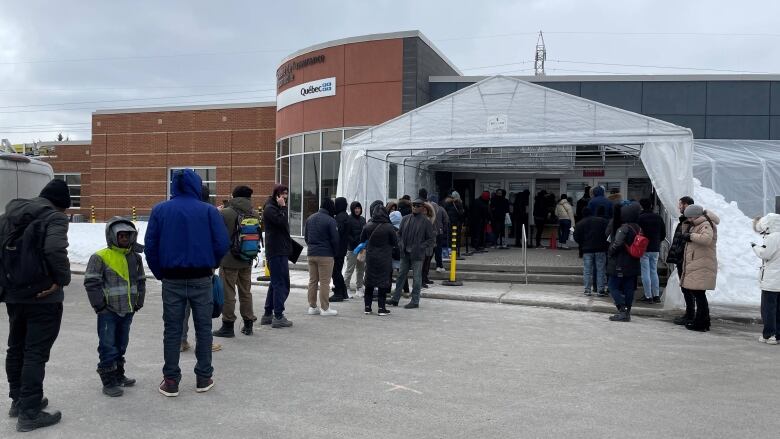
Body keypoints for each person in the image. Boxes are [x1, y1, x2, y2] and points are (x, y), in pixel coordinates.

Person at [145, 169, 230, 397]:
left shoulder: (160, 210)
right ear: (196, 185)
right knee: (204, 329)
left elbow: (150, 246)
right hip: (201, 278)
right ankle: (203, 377)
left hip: (171, 278)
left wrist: (160, 272)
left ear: (174, 185)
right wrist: (211, 263)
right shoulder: (209, 211)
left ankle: (171, 380)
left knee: (172, 330)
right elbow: (222, 243)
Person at [1, 179, 71, 431]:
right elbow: (54, 250)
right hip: (43, 296)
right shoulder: (55, 218)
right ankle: (30, 413)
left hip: (14, 293)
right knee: (35, 352)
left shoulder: (11, 213)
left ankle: (18, 401)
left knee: (16, 347)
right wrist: (61, 280)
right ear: (62, 205)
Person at [84, 217, 145, 397]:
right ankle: (108, 380)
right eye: (121, 235)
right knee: (107, 345)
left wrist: (139, 301)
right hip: (108, 311)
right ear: (112, 236)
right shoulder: (100, 257)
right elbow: (91, 282)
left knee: (121, 343)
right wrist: (100, 306)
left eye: (128, 235)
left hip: (128, 309)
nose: (125, 239)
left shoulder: (135, 257)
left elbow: (140, 281)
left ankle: (119, 374)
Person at [213, 186, 258, 338]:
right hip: (247, 258)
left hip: (229, 260)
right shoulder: (254, 213)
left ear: (234, 196)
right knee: (246, 292)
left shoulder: (225, 213)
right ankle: (248, 324)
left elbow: (216, 231)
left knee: (228, 293)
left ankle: (228, 325)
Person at [181, 184, 222, 352]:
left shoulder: (180, 212)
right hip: (203, 267)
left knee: (183, 307)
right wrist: (214, 263)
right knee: (202, 308)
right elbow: (219, 241)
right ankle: (204, 342)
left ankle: (181, 341)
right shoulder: (209, 213)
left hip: (181, 266)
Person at [679, 204, 719, 332]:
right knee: (698, 294)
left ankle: (701, 323)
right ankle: (703, 321)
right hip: (698, 262)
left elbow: (706, 239)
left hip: (702, 264)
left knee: (699, 294)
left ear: (696, 215)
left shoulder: (705, 224)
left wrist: (690, 236)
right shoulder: (699, 224)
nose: (689, 219)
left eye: (690, 217)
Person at [389, 198, 436, 309]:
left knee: (416, 278)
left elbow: (431, 240)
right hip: (405, 252)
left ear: (422, 208)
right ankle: (395, 299)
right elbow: (399, 234)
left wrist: (421, 247)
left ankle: (415, 301)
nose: (415, 207)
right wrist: (400, 244)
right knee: (400, 276)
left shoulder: (426, 222)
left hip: (417, 254)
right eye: (413, 205)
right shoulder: (405, 219)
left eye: (418, 205)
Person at [261, 184, 295, 328]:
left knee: (275, 283)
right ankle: (278, 316)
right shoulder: (270, 209)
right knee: (281, 283)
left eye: (286, 194)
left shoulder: (273, 208)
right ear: (276, 194)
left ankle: (268, 314)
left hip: (280, 249)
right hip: (276, 251)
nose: (285, 197)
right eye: (282, 194)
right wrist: (283, 207)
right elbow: (281, 222)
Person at [606, 202, 642, 322]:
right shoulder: (637, 227)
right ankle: (627, 312)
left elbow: (617, 244)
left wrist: (610, 252)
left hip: (620, 262)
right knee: (629, 287)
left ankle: (622, 309)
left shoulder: (624, 228)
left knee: (612, 285)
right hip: (633, 261)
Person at [304, 198, 339, 316]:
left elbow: (306, 238)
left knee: (312, 281)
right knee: (325, 282)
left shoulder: (310, 218)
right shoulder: (330, 220)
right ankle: (325, 308)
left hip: (311, 254)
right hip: (326, 255)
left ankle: (312, 307)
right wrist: (335, 253)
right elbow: (335, 239)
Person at [361, 205, 398, 315]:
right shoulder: (389, 227)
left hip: (371, 257)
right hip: (384, 258)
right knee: (383, 282)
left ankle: (367, 307)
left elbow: (362, 239)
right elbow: (394, 242)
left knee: (369, 282)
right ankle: (381, 308)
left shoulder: (368, 226)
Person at [666, 196, 696, 325]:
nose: (679, 207)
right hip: (681, 259)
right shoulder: (684, 221)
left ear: (686, 205)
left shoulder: (689, 222)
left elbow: (685, 242)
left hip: (684, 260)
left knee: (687, 288)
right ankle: (689, 314)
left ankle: (690, 315)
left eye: (680, 205)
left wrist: (679, 255)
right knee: (685, 288)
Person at [752, 214, 780, 344]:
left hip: (771, 280)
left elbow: (765, 254)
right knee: (778, 309)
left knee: (768, 309)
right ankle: (778, 335)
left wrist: (755, 247)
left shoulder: (772, 237)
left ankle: (768, 335)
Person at [573, 207, 609, 297]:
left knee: (587, 270)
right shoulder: (602, 221)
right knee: (601, 269)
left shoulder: (579, 224)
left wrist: (583, 243)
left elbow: (576, 237)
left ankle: (587, 289)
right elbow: (608, 233)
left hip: (587, 250)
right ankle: (601, 289)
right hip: (601, 249)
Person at [637, 198, 666, 304]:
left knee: (645, 272)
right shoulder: (658, 217)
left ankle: (648, 296)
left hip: (643, 248)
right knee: (654, 271)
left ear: (641, 206)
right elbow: (663, 234)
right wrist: (657, 241)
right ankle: (656, 295)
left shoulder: (640, 218)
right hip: (655, 248)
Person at [344, 201, 367, 297]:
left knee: (361, 269)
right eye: (356, 208)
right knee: (349, 269)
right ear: (353, 209)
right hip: (352, 249)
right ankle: (346, 288)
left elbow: (365, 232)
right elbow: (347, 234)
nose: (357, 210)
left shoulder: (363, 219)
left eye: (359, 208)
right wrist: (353, 241)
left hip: (362, 249)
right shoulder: (348, 219)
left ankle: (359, 288)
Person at [330, 197, 350, 302]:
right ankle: (343, 292)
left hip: (338, 249)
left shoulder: (340, 217)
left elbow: (337, 233)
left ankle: (338, 293)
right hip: (342, 248)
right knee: (337, 270)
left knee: (335, 271)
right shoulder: (344, 215)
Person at [420, 201, 437, 287]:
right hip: (424, 245)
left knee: (427, 263)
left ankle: (425, 278)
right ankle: (422, 281)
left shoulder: (429, 218)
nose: (424, 212)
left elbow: (433, 215)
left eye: (425, 210)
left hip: (430, 244)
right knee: (423, 264)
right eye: (423, 210)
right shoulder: (420, 219)